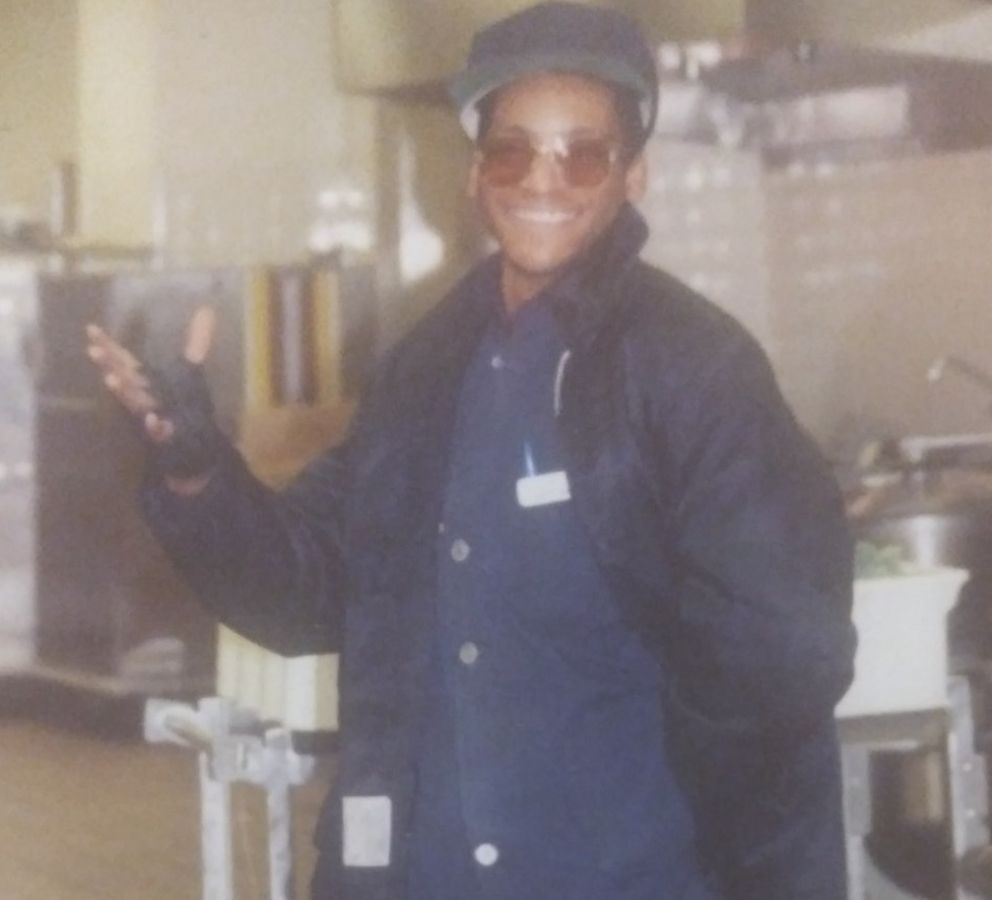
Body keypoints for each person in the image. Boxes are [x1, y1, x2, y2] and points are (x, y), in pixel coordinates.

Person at [85, 3, 856, 898]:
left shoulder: (696, 367)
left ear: (633, 175)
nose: (542, 179)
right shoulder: (422, 369)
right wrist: (197, 471)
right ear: (475, 173)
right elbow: (309, 590)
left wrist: (675, 823)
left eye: (583, 153)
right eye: (511, 150)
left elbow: (784, 652)